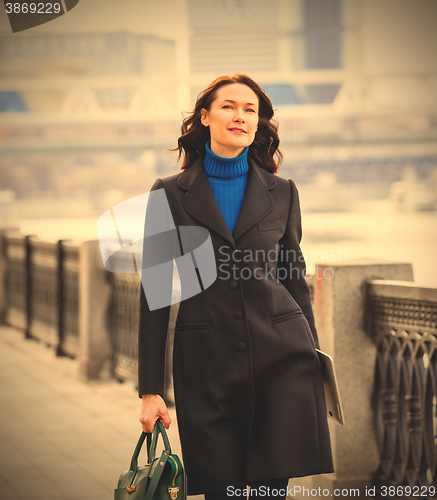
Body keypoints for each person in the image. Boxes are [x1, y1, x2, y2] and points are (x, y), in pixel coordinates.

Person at [138, 74, 334, 499]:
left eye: (250, 110)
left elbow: (294, 282)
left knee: (269, 492)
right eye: (228, 106)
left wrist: (317, 360)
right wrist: (150, 390)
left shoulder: (283, 193)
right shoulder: (169, 194)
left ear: (259, 122)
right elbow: (155, 295)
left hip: (282, 361)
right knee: (220, 491)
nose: (240, 116)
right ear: (204, 117)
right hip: (205, 366)